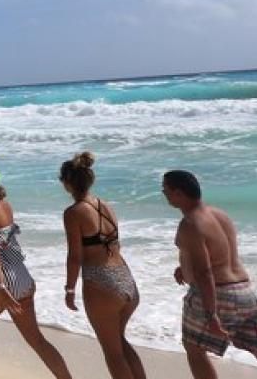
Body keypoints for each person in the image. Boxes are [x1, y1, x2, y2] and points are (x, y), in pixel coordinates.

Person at [163, 171, 257, 379]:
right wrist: (184, 268)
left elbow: (205, 273)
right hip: (245, 293)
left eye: (165, 189)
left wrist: (212, 315)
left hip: (218, 296)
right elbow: (219, 255)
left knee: (195, 349)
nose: (164, 193)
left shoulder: (190, 224)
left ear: (178, 193)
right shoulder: (220, 215)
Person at [0, 159, 72, 379]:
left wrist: (1, 286)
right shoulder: (5, 204)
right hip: (22, 275)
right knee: (37, 340)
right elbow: (5, 243)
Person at [59, 152, 146, 379]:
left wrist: (69, 290)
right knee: (120, 342)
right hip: (126, 280)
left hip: (101, 281)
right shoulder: (105, 206)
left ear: (67, 183)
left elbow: (75, 257)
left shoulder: (73, 213)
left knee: (112, 352)